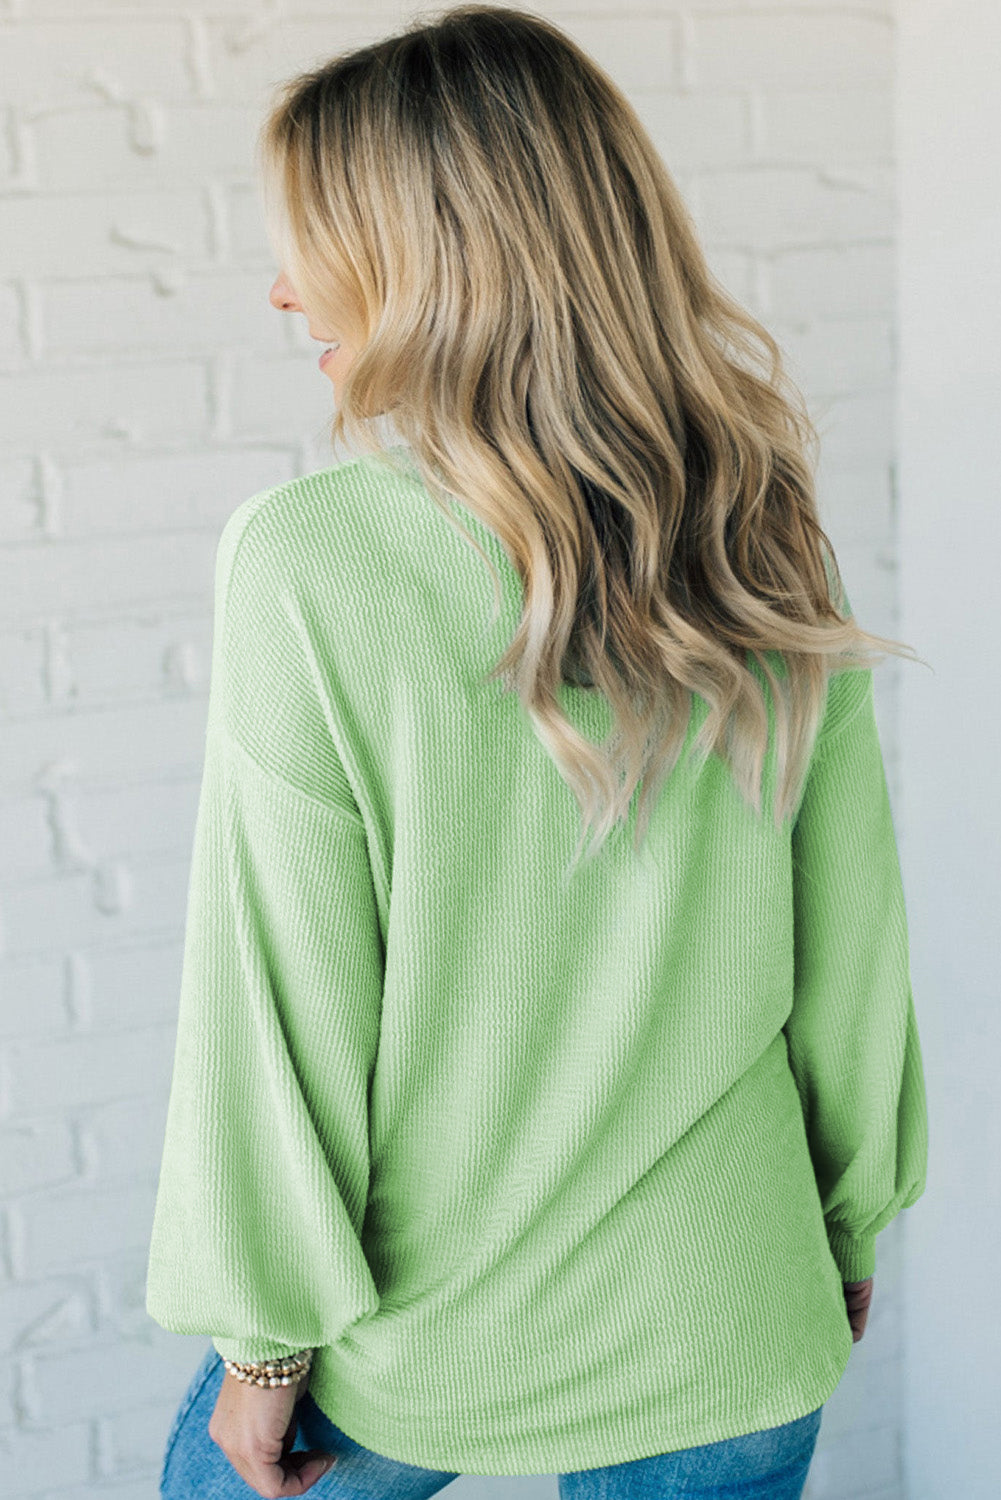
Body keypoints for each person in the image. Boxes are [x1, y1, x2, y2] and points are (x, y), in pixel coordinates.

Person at [144, 6, 929, 1498]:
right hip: (732, 1303)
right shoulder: (751, 524)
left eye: (316, 244)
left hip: (420, 1331)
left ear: (430, 267)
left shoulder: (314, 562)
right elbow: (853, 941)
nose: (281, 288)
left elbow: (279, 993)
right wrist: (838, 1225)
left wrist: (263, 1346)